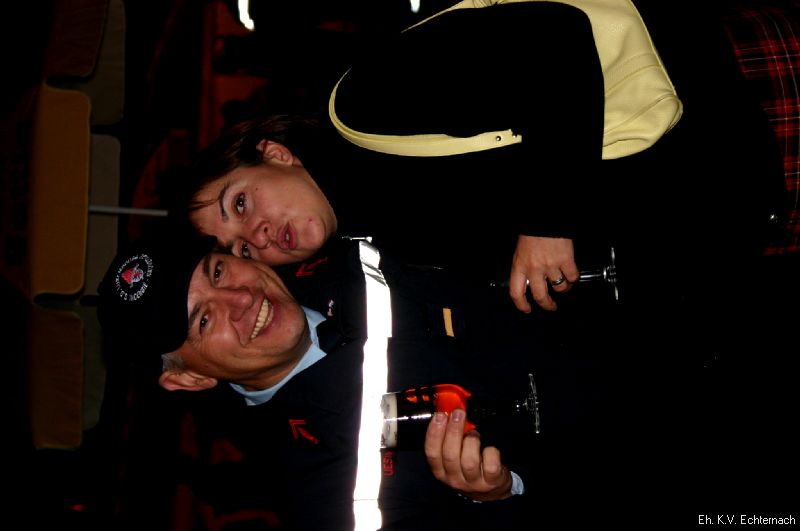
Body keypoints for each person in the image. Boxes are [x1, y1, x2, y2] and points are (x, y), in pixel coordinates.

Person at [173, 0, 786, 323]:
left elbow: (555, 37)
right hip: (743, 188)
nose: (257, 236)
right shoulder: (384, 236)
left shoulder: (364, 105)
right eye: (242, 248)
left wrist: (545, 222)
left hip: (736, 98)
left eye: (240, 203)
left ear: (275, 153)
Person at [98, 233, 588, 529]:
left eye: (219, 271)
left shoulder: (337, 244)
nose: (241, 299)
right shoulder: (328, 496)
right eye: (204, 320)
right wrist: (497, 497)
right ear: (188, 378)